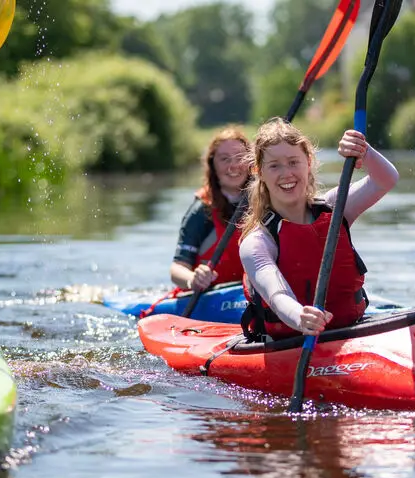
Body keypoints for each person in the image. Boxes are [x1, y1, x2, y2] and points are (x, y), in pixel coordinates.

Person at [239, 118, 399, 340]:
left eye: (294, 162)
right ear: (259, 172)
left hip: (352, 330)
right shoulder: (257, 242)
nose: (286, 173)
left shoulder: (336, 206)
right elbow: (277, 295)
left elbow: (386, 180)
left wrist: (363, 149)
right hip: (290, 341)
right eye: (274, 165)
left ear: (309, 161)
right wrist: (298, 316)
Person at [168, 126, 252, 292]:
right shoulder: (201, 210)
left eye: (240, 157)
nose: (233, 165)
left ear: (251, 162)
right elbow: (176, 270)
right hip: (207, 296)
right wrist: (193, 279)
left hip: (248, 293)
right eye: (224, 159)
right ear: (212, 165)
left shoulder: (265, 203)